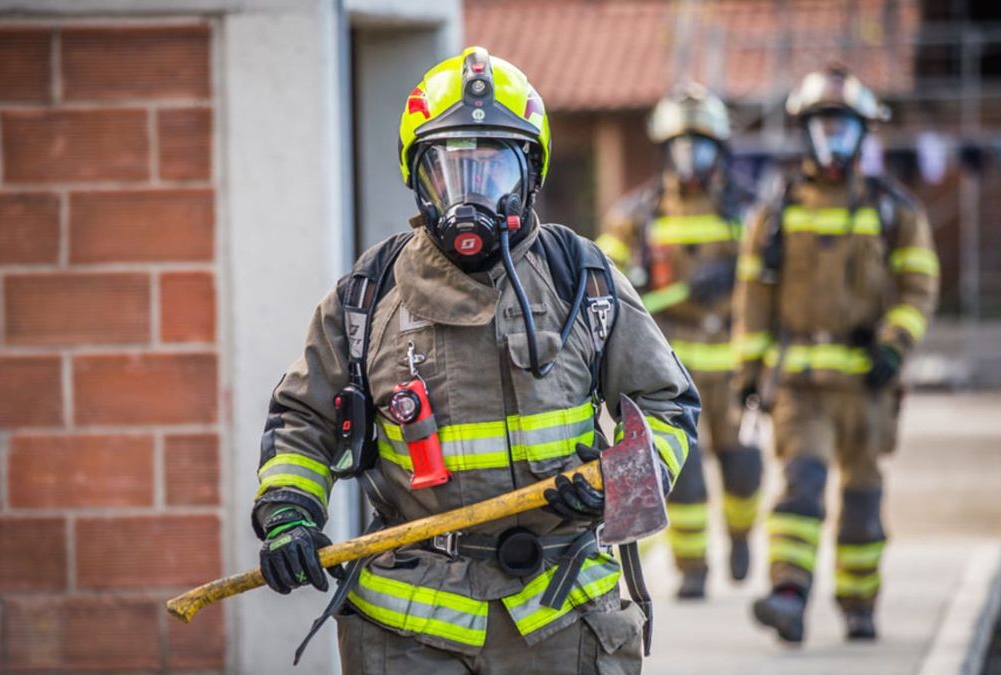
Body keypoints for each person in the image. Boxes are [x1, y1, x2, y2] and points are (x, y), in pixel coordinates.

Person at [252, 46, 700, 674]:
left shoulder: (583, 279)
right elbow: (302, 420)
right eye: (452, 172)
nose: (472, 197)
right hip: (407, 622)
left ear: (531, 175)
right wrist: (288, 516)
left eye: (493, 172)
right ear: (419, 177)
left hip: (559, 607)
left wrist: (612, 487)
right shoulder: (368, 295)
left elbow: (666, 406)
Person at [734, 65, 939, 643]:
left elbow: (920, 288)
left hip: (869, 389)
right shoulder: (776, 213)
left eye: (844, 129)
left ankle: (859, 603)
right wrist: (749, 372)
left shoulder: (894, 211)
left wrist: (895, 346)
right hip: (802, 385)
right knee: (801, 483)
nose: (834, 140)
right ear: (807, 133)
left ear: (862, 135)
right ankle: (789, 596)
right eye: (824, 127)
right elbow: (753, 297)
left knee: (862, 501)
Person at [596, 84, 761, 599]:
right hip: (673, 366)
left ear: (719, 148)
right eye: (681, 145)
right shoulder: (637, 215)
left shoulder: (745, 211)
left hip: (734, 367)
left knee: (743, 470)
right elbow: (601, 277)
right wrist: (642, 284)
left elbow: (772, 278)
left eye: (702, 144)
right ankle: (693, 570)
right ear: (665, 150)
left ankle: (739, 534)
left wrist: (737, 277)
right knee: (684, 473)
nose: (691, 157)